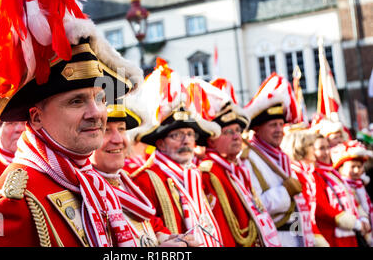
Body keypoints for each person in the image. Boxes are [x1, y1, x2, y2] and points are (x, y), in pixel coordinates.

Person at [0, 0, 145, 247]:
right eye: (76, 101)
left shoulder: (90, 183)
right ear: (35, 117)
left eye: (98, 98)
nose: (96, 112)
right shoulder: (13, 204)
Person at [128, 60, 223, 247]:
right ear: (161, 144)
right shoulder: (144, 180)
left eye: (189, 134)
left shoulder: (197, 175)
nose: (185, 140)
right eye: (177, 135)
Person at [90, 100, 197, 247]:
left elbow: (153, 227)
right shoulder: (77, 189)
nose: (118, 139)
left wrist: (167, 238)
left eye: (121, 129)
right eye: (105, 130)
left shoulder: (127, 186)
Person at [194, 78, 281, 247]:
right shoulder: (208, 174)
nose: (236, 136)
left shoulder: (237, 168)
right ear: (211, 141)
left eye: (237, 131)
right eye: (228, 132)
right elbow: (220, 228)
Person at [242, 73, 314, 247]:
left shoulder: (280, 156)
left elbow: (295, 208)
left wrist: (301, 238)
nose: (279, 130)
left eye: (281, 125)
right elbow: (254, 206)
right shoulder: (248, 159)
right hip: (275, 238)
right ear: (257, 128)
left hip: (295, 236)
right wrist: (285, 192)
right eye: (272, 125)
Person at [311, 135, 366, 246]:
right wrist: (353, 222)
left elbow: (351, 198)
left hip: (348, 234)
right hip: (331, 236)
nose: (327, 152)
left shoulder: (332, 173)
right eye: (321, 148)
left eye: (327, 147)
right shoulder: (314, 174)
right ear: (311, 151)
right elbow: (322, 208)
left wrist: (363, 218)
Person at [282, 128, 330, 247]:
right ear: (299, 148)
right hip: (298, 237)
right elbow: (295, 211)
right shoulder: (295, 173)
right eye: (310, 145)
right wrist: (301, 239)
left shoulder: (305, 172)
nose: (314, 149)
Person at [331, 140, 373, 246]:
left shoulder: (360, 185)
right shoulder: (340, 186)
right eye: (352, 167)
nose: (356, 170)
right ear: (340, 168)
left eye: (359, 167)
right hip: (349, 231)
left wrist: (364, 219)